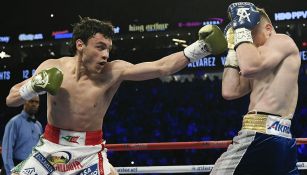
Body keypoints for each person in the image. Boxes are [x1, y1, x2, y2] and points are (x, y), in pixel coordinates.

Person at [6, 17, 227, 175]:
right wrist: (33, 86)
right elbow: (11, 98)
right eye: (100, 47)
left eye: (108, 49)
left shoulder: (114, 71)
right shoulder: (53, 67)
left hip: (89, 151)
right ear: (80, 45)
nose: (105, 55)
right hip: (50, 148)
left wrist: (200, 48)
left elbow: (161, 67)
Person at [210, 2, 301, 175]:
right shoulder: (258, 57)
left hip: (259, 135)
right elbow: (230, 91)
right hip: (279, 139)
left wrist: (242, 29)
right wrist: (231, 49)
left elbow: (250, 67)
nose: (246, 41)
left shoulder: (281, 40)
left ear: (268, 28)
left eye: (251, 34)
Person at [2, 96, 42, 175]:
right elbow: (7, 150)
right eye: (31, 101)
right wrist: (11, 171)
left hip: (32, 168)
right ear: (24, 102)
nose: (34, 104)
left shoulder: (39, 125)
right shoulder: (14, 122)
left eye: (36, 102)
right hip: (16, 166)